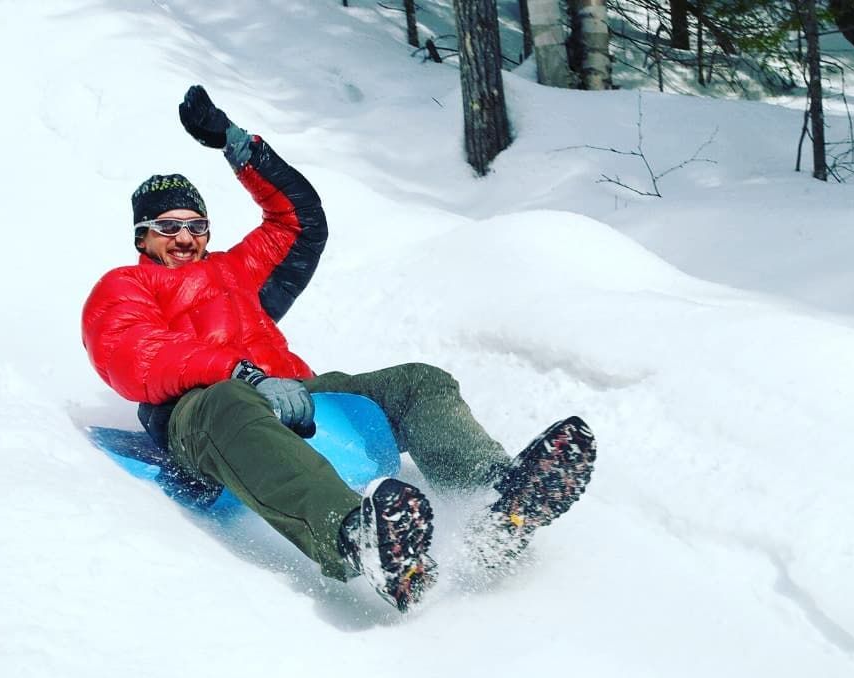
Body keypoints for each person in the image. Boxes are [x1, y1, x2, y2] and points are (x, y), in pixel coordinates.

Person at [82, 86, 596, 611]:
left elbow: (299, 221)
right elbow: (137, 355)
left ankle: (494, 497)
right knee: (228, 400)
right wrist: (242, 373)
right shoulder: (123, 285)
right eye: (168, 227)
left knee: (417, 380)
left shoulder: (235, 270)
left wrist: (237, 145)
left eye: (196, 225)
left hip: (294, 394)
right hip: (203, 415)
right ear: (142, 237)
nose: (185, 237)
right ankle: (356, 538)